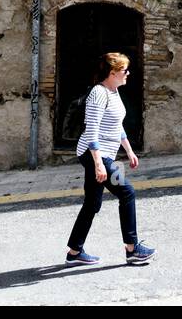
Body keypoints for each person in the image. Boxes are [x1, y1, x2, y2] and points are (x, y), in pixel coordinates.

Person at [65, 51, 156, 266]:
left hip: (106, 155)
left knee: (92, 203)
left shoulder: (113, 91)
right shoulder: (99, 93)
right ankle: (132, 249)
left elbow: (117, 126)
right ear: (113, 72)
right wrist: (98, 164)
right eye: (124, 70)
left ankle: (74, 251)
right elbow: (91, 131)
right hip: (94, 154)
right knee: (127, 192)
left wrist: (130, 151)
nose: (128, 73)